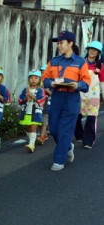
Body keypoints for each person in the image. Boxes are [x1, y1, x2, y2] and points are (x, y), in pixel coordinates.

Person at [42, 31, 91, 171]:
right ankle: (68, 147)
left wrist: (78, 85)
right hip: (57, 97)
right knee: (54, 129)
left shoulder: (80, 62)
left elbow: (86, 83)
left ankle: (59, 160)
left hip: (72, 99)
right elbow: (45, 78)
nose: (59, 45)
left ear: (70, 43)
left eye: (61, 43)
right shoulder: (54, 61)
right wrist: (49, 83)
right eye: (58, 43)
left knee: (64, 131)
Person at [74, 41, 103, 149]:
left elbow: (102, 83)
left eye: (95, 50)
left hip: (94, 97)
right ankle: (79, 135)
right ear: (87, 50)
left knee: (91, 118)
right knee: (76, 115)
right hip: (80, 94)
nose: (92, 51)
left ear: (98, 53)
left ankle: (88, 141)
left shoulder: (101, 66)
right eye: (91, 49)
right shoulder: (80, 63)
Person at [19, 69, 46, 152]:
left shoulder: (41, 90)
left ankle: (31, 145)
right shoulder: (25, 89)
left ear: (39, 79)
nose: (33, 80)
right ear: (28, 79)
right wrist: (25, 98)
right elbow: (20, 100)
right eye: (31, 78)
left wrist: (32, 96)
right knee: (28, 128)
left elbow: (41, 100)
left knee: (33, 127)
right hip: (27, 111)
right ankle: (32, 141)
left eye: (36, 78)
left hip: (36, 111)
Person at [36, 64, 52, 145]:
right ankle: (44, 134)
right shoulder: (37, 81)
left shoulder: (51, 83)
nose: (43, 74)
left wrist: (47, 90)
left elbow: (53, 94)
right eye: (42, 72)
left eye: (45, 72)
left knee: (44, 120)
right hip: (38, 104)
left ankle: (42, 136)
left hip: (47, 104)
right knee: (39, 119)